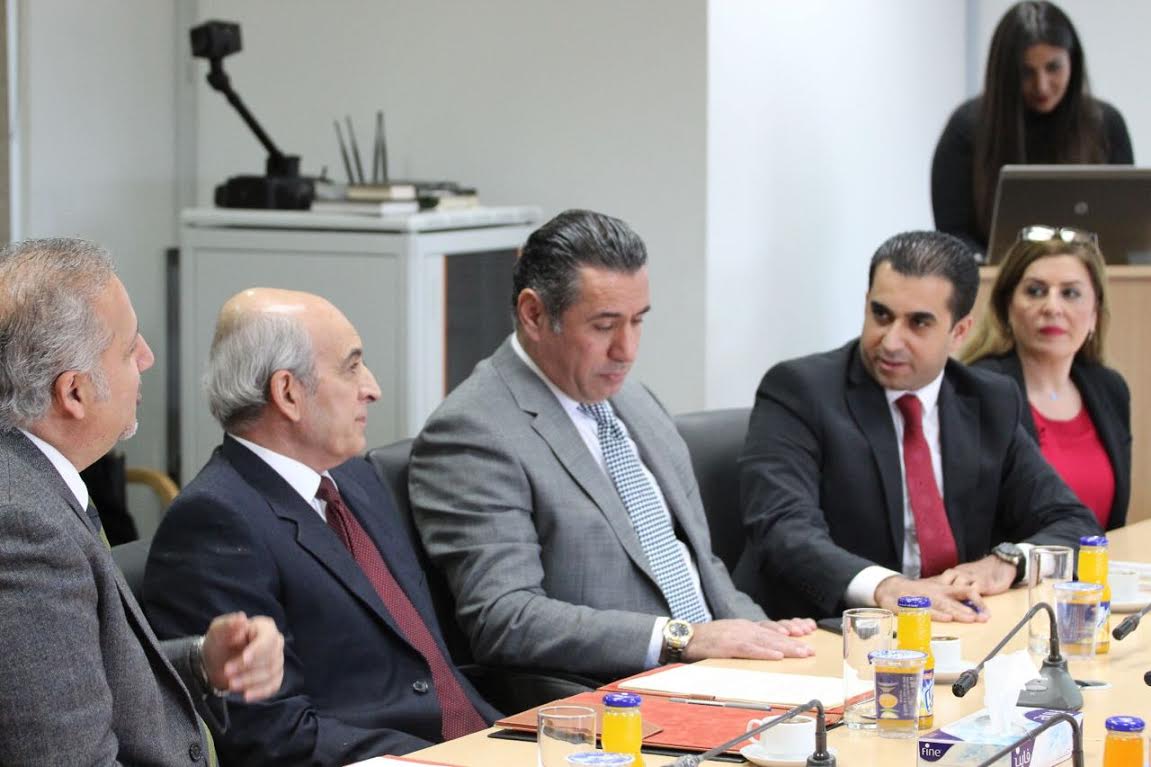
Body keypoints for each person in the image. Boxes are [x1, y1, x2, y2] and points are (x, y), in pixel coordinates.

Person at [409, 209, 815, 683]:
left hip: (720, 673)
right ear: (534, 314)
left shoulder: (633, 399)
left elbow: (696, 563)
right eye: (604, 326)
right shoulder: (472, 432)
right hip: (617, 695)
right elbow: (505, 618)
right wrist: (682, 639)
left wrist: (762, 634)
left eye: (637, 321)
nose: (627, 350)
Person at [142, 288, 499, 766]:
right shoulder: (213, 522)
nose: (372, 388)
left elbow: (433, 669)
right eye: (352, 367)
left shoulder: (354, 477)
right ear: (288, 393)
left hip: (483, 741)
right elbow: (272, 735)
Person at [0, 238, 284, 766]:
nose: (148, 358)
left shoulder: (33, 480)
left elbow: (71, 678)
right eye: (130, 349)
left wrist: (202, 662)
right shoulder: (23, 526)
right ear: (74, 392)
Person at [734, 230, 1101, 622]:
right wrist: (886, 587)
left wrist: (1008, 562)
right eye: (881, 315)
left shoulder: (989, 400)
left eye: (919, 323)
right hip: (825, 629)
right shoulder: (800, 391)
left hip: (950, 627)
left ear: (959, 332)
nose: (891, 341)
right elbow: (783, 528)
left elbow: (1073, 523)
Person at [931, 1, 1133, 253]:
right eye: (1026, 72)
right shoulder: (966, 128)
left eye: (1053, 68)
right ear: (1005, 73)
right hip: (994, 274)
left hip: (1089, 273)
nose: (1042, 85)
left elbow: (1124, 226)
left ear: (1073, 62)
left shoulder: (1105, 124)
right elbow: (953, 235)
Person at [962, 225, 1129, 530]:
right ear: (1006, 307)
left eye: (1070, 293)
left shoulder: (1109, 389)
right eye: (1035, 291)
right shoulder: (981, 390)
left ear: (1094, 314)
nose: (1052, 307)